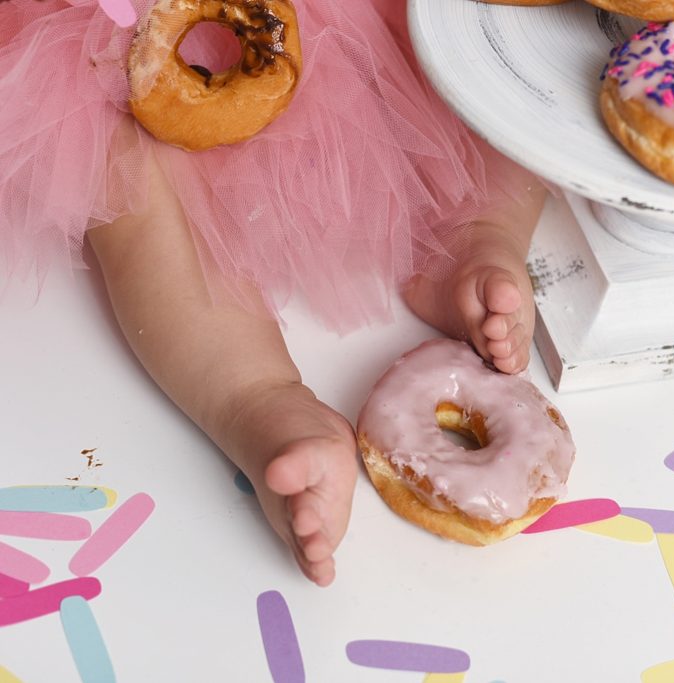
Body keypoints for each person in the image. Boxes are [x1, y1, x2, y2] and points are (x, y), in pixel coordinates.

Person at [0, 0, 545, 586]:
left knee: (498, 66)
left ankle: (475, 235)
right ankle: (256, 396)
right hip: (125, 25)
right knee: (129, 177)